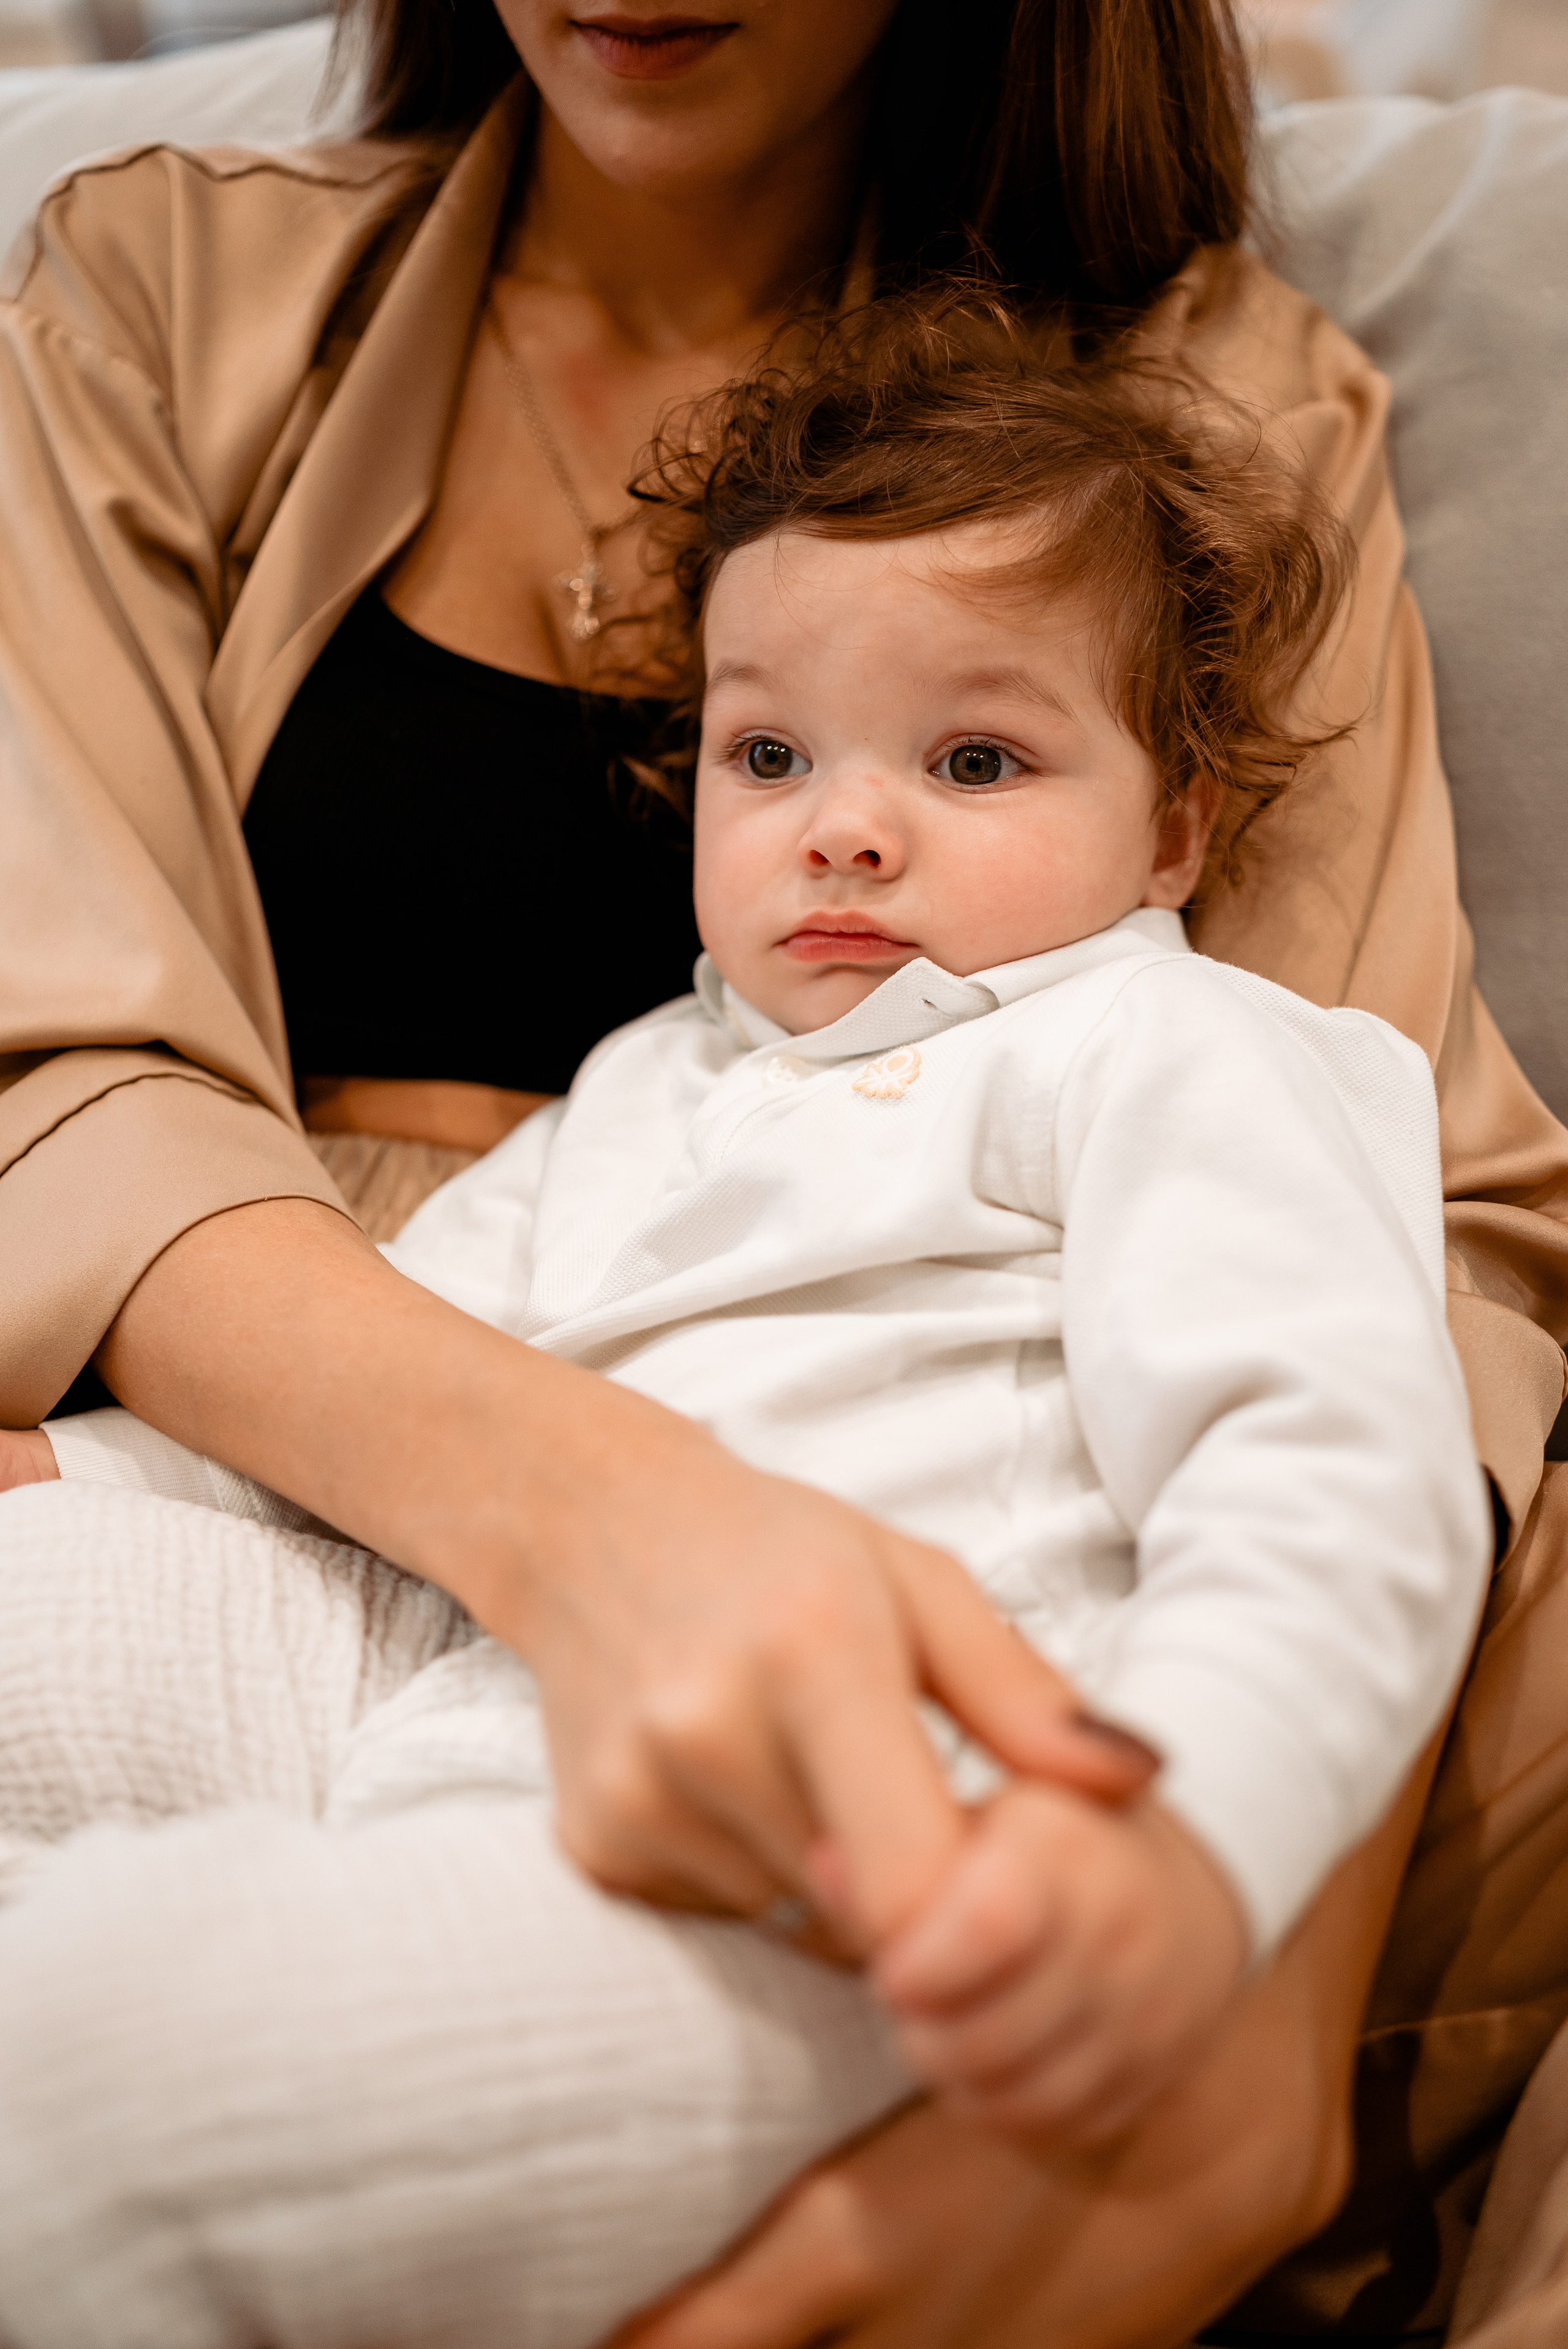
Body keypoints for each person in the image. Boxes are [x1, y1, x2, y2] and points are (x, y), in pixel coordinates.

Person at [0, 1, 1565, 2342]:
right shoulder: (144, 295)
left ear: (1179, 819)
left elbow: (1357, 1363)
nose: (847, 822)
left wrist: (1213, 1914)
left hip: (926, 1729)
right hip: (341, 1469)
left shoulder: (1174, 1013)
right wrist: (114, 1486)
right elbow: (71, 1072)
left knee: (106, 2074)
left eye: (970, 749)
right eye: (765, 751)